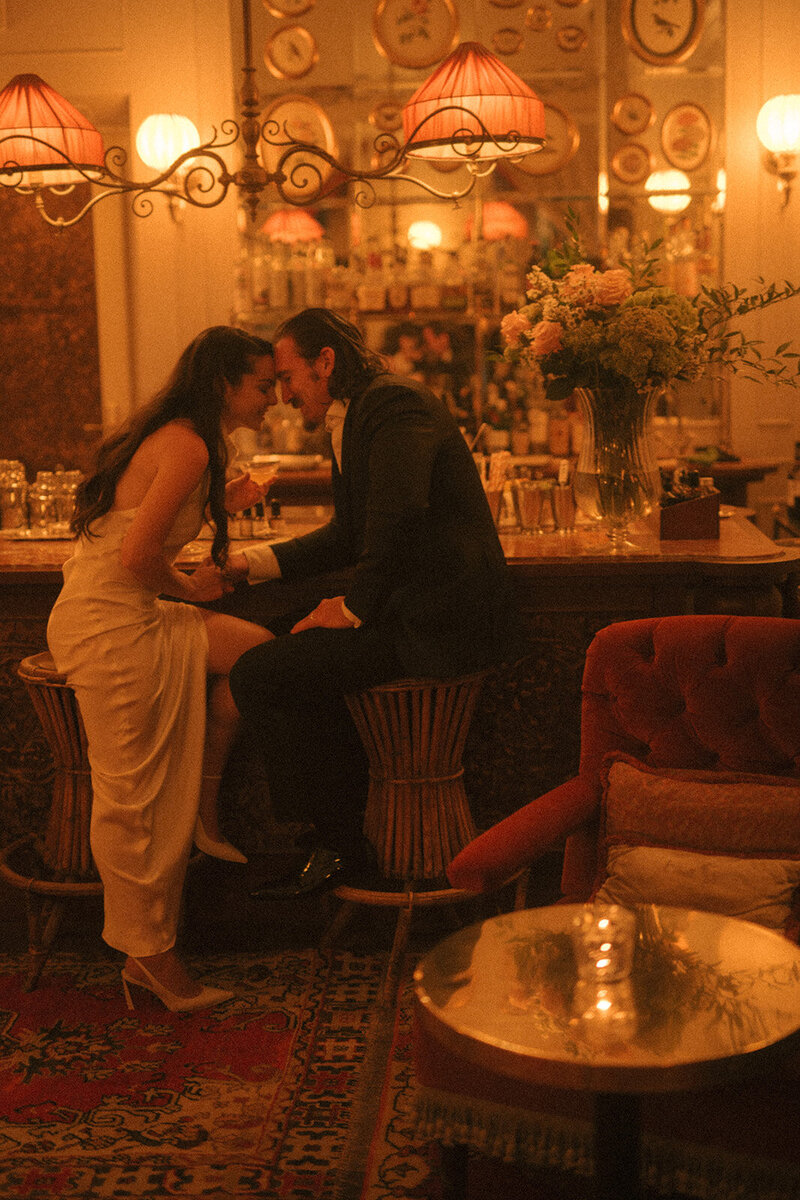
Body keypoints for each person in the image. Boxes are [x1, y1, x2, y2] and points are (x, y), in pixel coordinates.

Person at [226, 308, 517, 898]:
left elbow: (402, 515)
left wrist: (351, 608)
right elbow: (348, 534)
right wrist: (248, 566)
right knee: (273, 646)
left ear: (325, 362)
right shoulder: (355, 416)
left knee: (260, 670)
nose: (282, 396)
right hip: (408, 609)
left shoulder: (392, 405)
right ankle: (338, 833)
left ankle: (335, 844)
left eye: (288, 378)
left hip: (441, 621)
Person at [46, 326, 278, 1011]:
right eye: (262, 385)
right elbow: (136, 556)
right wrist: (193, 588)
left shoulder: (190, 442)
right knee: (131, 792)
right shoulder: (186, 442)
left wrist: (222, 503)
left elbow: (141, 523)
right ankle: (148, 954)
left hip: (134, 612)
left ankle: (204, 806)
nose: (272, 398)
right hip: (110, 622)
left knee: (261, 658)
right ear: (223, 385)